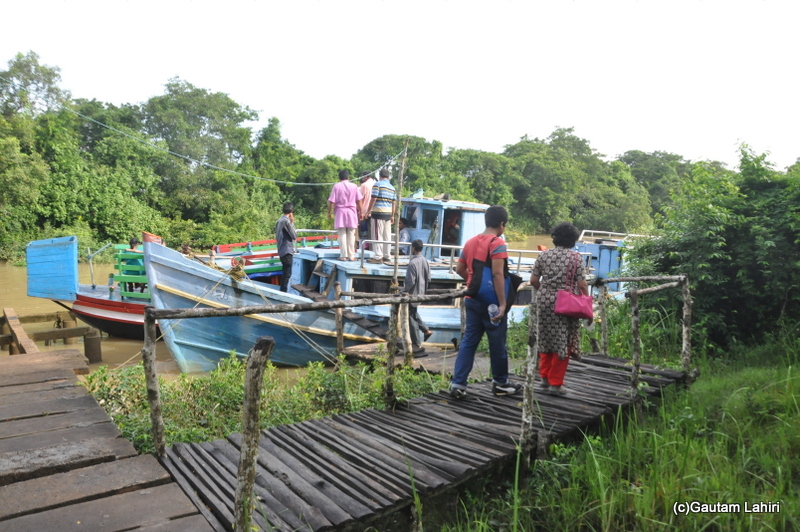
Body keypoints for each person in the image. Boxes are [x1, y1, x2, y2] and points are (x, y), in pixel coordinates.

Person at [450, 205, 522, 399]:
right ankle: (500, 383)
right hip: (491, 303)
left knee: (469, 341)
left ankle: (458, 384)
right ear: (502, 224)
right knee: (497, 343)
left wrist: (474, 283)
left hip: (473, 299)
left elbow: (460, 269)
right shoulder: (497, 243)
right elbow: (498, 274)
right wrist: (502, 304)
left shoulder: (470, 242)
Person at [529, 222, 589, 396]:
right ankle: (556, 384)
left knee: (545, 339)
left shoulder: (543, 255)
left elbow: (533, 281)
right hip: (565, 304)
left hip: (544, 301)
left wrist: (546, 292)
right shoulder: (575, 257)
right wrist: (587, 304)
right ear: (572, 239)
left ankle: (544, 380)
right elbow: (582, 285)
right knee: (563, 342)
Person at [401, 239, 433, 353]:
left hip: (412, 294)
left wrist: (403, 291)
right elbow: (429, 278)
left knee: (411, 317)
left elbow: (410, 281)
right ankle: (426, 330)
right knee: (413, 313)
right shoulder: (425, 261)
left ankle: (417, 343)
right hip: (421, 292)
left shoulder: (412, 263)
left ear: (413, 248)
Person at [328, 169, 363, 261]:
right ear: (348, 177)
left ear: (339, 178)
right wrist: (361, 212)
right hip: (351, 211)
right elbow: (359, 200)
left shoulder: (336, 186)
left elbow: (331, 201)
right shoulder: (354, 186)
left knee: (342, 233)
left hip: (340, 211)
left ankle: (343, 255)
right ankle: (351, 256)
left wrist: (329, 212)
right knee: (351, 233)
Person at [366, 168, 396, 264]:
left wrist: (368, 211)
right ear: (388, 176)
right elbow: (394, 203)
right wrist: (392, 215)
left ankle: (378, 256)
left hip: (378, 213)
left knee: (377, 235)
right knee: (387, 236)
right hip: (388, 214)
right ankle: (387, 255)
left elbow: (373, 199)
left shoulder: (377, 184)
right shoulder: (392, 188)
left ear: (380, 176)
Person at [275, 202, 297, 292]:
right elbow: (294, 235)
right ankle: (283, 293)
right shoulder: (286, 221)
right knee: (287, 274)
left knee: (285, 273)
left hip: (281, 250)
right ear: (291, 211)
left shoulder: (279, 221)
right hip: (287, 250)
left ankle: (282, 291)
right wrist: (292, 222)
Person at [358, 170, 376, 247]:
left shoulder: (364, 185)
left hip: (364, 210)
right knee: (372, 232)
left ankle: (357, 246)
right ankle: (372, 249)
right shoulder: (375, 184)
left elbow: (360, 199)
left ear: (366, 176)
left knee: (356, 228)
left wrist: (360, 211)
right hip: (374, 211)